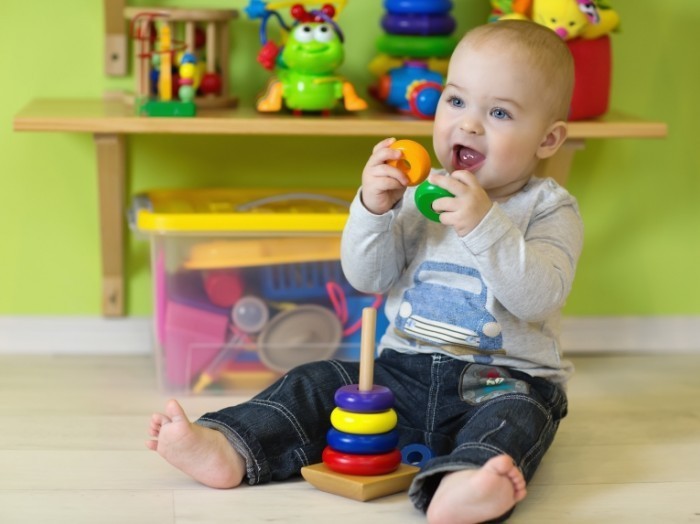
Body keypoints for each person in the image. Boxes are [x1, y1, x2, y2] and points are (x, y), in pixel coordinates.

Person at [147, 20, 583, 524]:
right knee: (315, 380)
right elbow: (367, 278)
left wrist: (485, 224)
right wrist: (373, 210)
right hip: (400, 372)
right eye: (456, 101)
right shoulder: (421, 194)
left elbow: (539, 297)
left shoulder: (550, 209)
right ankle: (231, 445)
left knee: (516, 420)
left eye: (500, 112)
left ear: (548, 139)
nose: (468, 125)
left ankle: (464, 483)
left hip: (504, 380)